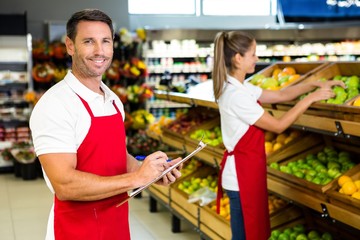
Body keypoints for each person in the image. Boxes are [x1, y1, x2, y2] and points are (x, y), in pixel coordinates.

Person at [29, 9, 182, 240]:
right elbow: (65, 184)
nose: (100, 51)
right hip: (75, 230)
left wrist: (148, 172)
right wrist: (135, 179)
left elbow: (118, 157)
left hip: (116, 224)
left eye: (106, 41)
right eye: (89, 41)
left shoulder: (112, 100)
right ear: (70, 46)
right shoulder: (55, 104)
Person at [212, 31, 345, 240]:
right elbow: (278, 125)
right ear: (238, 58)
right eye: (253, 54)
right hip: (241, 178)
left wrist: (314, 84)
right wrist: (310, 99)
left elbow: (281, 94)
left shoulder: (240, 87)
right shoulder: (235, 95)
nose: (257, 58)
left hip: (248, 171)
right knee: (245, 236)